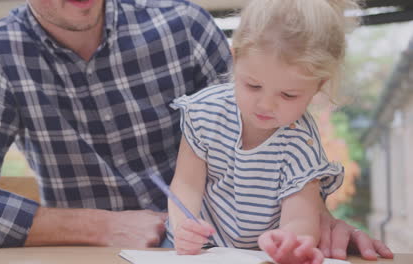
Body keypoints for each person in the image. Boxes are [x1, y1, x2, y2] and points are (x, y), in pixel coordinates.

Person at [0, 0, 393, 260]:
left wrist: (311, 219)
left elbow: (267, 129)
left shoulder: (185, 28)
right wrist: (97, 226)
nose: (267, 98)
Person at [164, 0, 393, 262]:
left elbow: (300, 217)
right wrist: (185, 226)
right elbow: (186, 184)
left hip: (259, 257)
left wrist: (290, 242)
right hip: (195, 252)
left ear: (318, 86)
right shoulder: (204, 112)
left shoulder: (300, 140)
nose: (266, 105)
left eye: (288, 94)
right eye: (253, 85)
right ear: (235, 57)